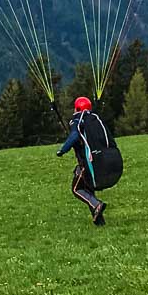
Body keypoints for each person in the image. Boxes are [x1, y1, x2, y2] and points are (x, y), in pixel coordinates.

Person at [56, 96, 110, 226]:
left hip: (86, 163)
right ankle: (100, 223)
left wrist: (63, 150)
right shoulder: (92, 120)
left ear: (77, 108)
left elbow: (74, 136)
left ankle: (97, 205)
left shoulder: (76, 121)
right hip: (97, 162)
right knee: (89, 190)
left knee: (77, 189)